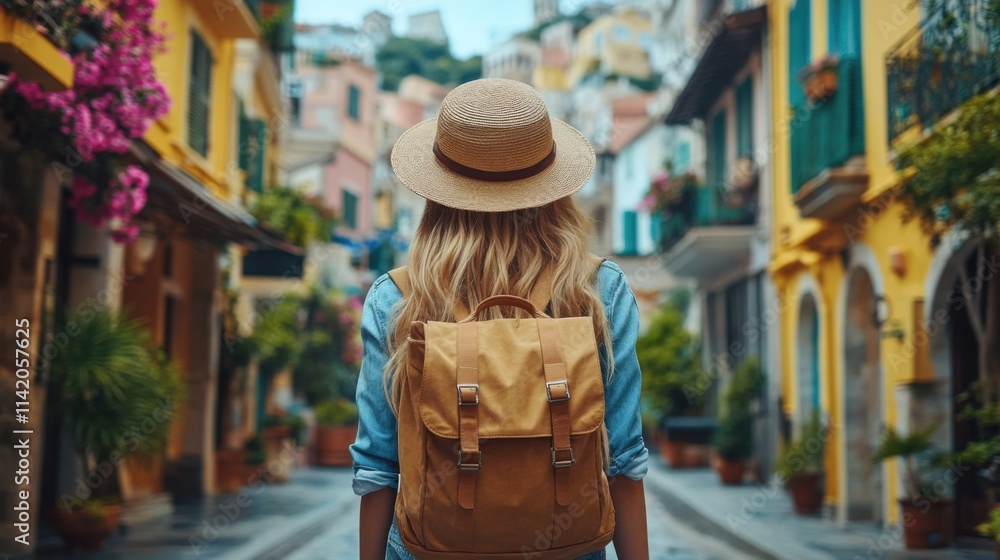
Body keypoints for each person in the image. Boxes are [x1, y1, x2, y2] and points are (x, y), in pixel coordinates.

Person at [351, 78, 650, 560]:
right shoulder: (597, 290)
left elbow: (376, 468)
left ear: (437, 192)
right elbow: (625, 461)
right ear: (552, 189)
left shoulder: (399, 298)